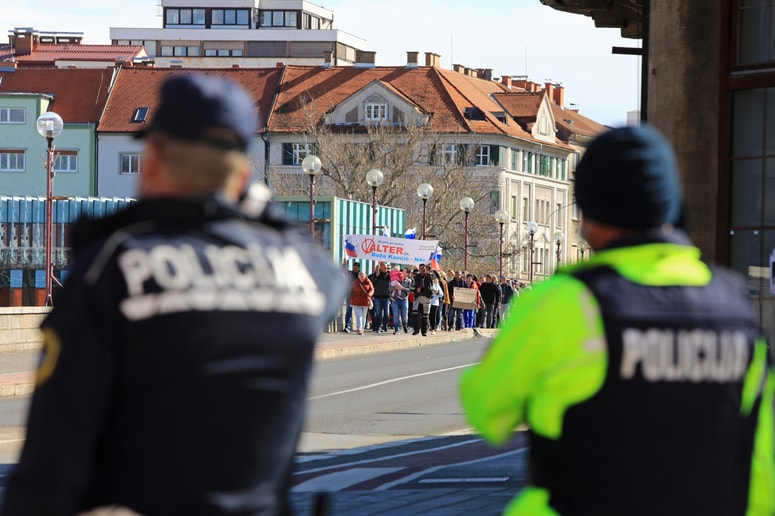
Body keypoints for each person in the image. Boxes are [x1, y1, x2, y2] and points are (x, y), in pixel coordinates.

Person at [0, 74, 348, 515]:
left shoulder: (114, 266)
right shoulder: (303, 269)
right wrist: (250, 209)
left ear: (153, 159)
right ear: (242, 174)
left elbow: (52, 456)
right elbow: (324, 267)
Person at [460, 125, 775, 516]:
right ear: (671, 209)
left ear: (591, 213)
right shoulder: (735, 308)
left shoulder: (566, 301)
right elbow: (761, 457)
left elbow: (487, 410)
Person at [368, 261, 391, 333]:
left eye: (386, 267)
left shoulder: (389, 275)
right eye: (383, 267)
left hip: (386, 297)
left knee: (386, 313)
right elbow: (372, 284)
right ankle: (378, 327)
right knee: (378, 313)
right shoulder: (376, 275)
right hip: (377, 297)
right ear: (381, 268)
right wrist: (376, 277)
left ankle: (385, 325)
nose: (385, 268)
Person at [412, 263, 433, 336]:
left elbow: (437, 277)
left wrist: (431, 269)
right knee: (415, 313)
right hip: (418, 297)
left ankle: (424, 331)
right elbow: (411, 287)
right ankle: (416, 329)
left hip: (426, 297)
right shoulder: (416, 277)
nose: (422, 270)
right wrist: (416, 289)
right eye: (421, 268)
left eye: (423, 268)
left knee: (425, 315)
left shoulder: (429, 276)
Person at [350, 270, 374, 335]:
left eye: (362, 274)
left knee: (363, 316)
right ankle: (359, 328)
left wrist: (369, 294)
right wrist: (351, 297)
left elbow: (372, 289)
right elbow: (350, 290)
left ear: (365, 275)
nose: (361, 275)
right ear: (358, 276)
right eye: (360, 274)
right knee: (359, 315)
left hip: (365, 301)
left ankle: (362, 329)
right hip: (356, 301)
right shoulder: (355, 282)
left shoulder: (368, 282)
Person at [389, 265, 410, 334]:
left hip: (404, 300)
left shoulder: (408, 281)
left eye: (404, 272)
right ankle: (396, 328)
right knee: (395, 315)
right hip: (395, 300)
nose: (402, 273)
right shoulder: (395, 278)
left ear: (407, 273)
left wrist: (402, 288)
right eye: (402, 271)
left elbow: (410, 290)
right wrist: (395, 287)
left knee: (404, 315)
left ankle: (405, 325)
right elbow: (390, 287)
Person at [343, 261, 361, 333]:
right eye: (354, 266)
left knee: (358, 312)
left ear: (359, 267)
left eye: (357, 266)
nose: (355, 267)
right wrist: (344, 264)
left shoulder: (360, 274)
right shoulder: (350, 273)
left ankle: (360, 326)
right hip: (349, 294)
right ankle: (347, 326)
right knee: (349, 310)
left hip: (358, 296)